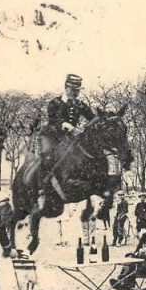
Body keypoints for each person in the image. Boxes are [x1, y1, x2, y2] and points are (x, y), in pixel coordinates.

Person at [37, 73, 95, 210]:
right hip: (51, 136)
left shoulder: (80, 105)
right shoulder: (55, 103)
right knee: (47, 156)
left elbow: (92, 118)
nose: (76, 93)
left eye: (78, 90)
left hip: (69, 138)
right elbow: (55, 121)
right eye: (73, 90)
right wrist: (72, 128)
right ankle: (41, 188)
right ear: (66, 88)